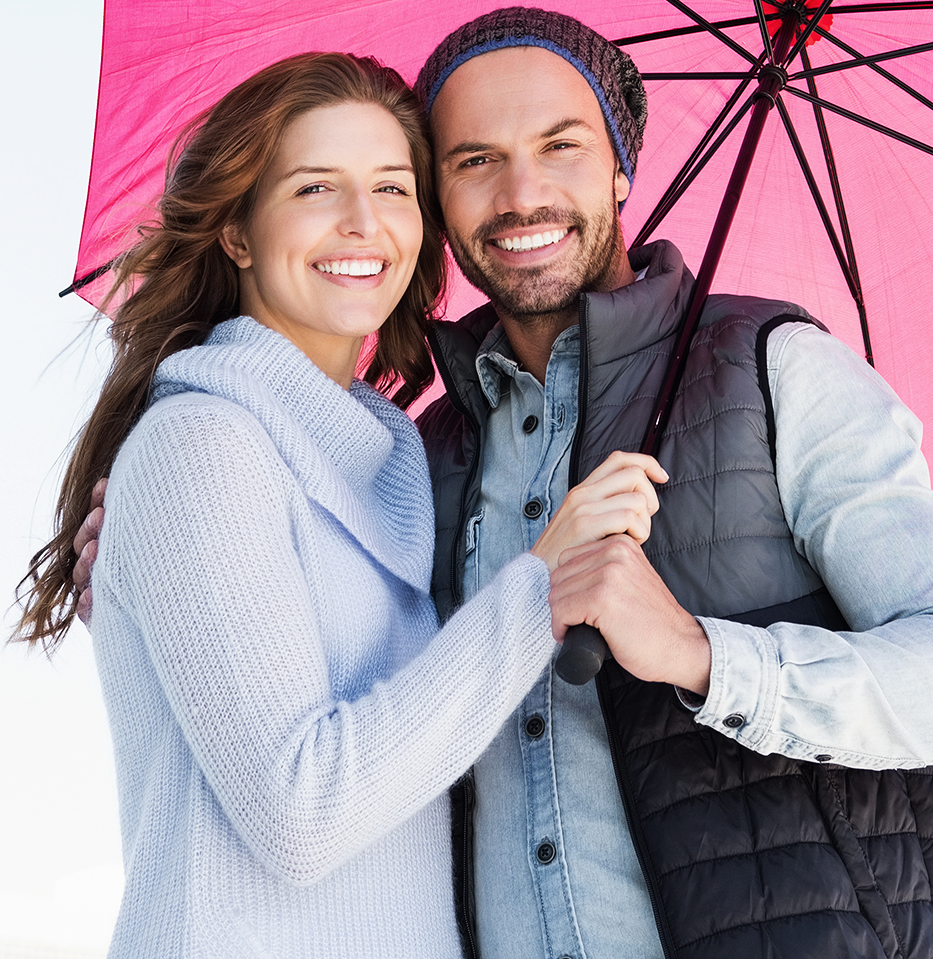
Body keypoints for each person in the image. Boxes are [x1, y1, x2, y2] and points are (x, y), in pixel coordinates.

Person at [71, 13, 933, 959]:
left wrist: (706, 657)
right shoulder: (420, 458)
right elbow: (355, 715)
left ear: (619, 169)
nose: (522, 195)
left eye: (560, 147)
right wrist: (149, 577)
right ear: (441, 201)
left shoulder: (774, 370)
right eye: (475, 160)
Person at [14, 51, 664, 959]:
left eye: (394, 188)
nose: (365, 224)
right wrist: (537, 590)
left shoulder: (388, 458)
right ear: (237, 231)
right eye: (317, 188)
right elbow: (303, 815)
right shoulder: (201, 444)